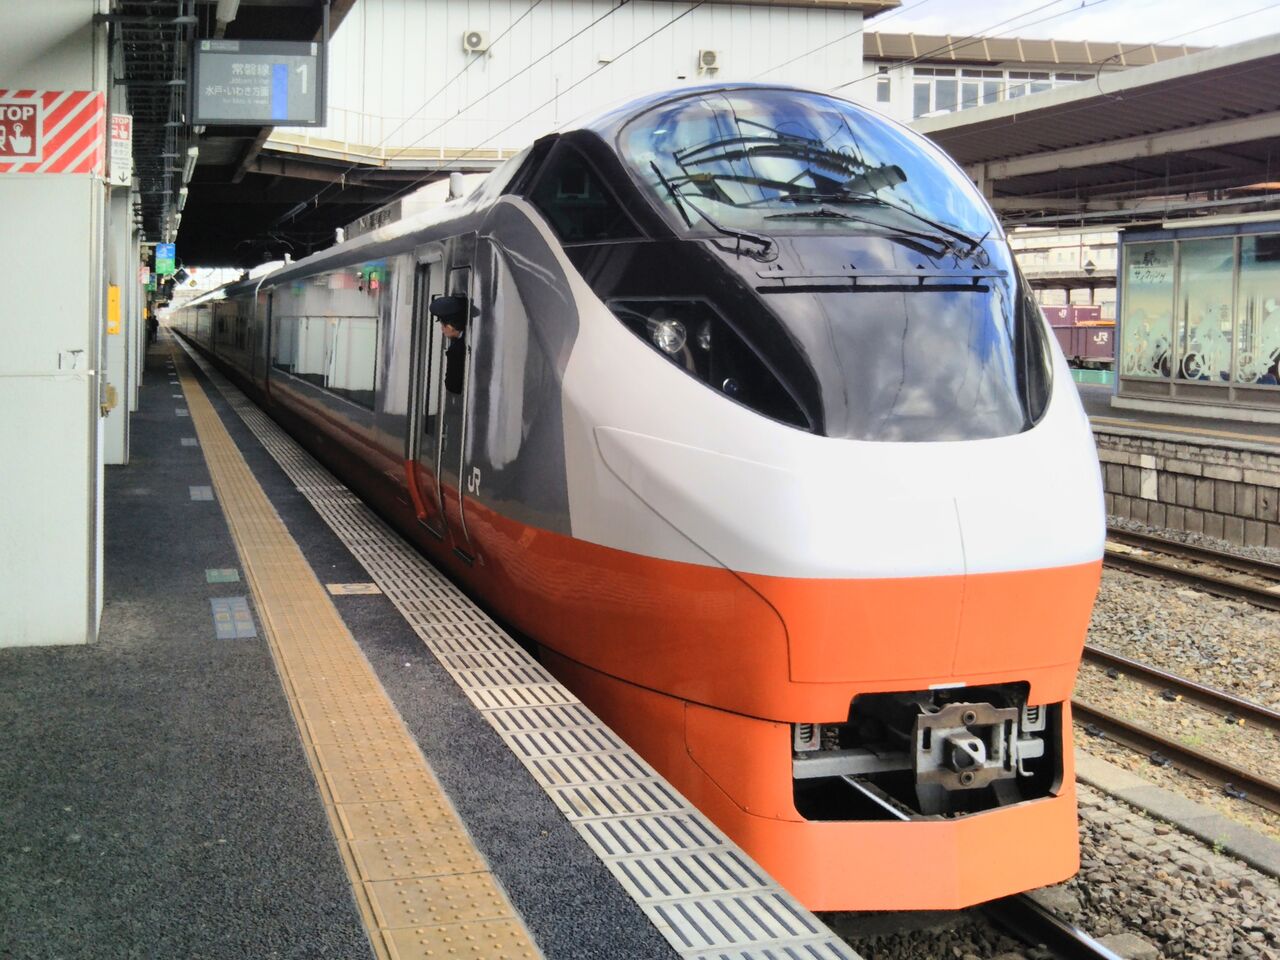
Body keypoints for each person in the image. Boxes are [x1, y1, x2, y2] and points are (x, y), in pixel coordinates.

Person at [430, 295, 469, 395]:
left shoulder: (457, 350)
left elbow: (452, 385)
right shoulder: (463, 340)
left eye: (442, 325)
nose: (442, 329)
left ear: (450, 327)